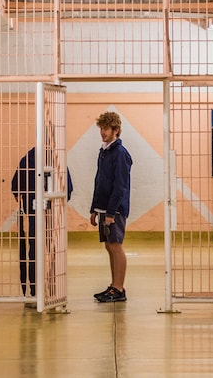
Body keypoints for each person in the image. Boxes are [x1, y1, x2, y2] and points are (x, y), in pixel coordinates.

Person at [11, 146, 73, 298]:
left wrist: (24, 197)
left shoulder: (27, 158)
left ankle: (34, 291)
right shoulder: (57, 159)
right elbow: (68, 188)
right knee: (54, 250)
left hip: (34, 210)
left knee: (34, 251)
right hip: (53, 210)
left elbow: (16, 187)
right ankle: (54, 289)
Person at [89, 111, 133, 303]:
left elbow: (120, 186)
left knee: (116, 246)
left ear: (116, 130)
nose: (102, 132)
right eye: (101, 128)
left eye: (106, 128)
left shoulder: (120, 153)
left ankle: (119, 288)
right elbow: (99, 181)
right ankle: (114, 285)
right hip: (103, 209)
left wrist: (111, 212)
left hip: (114, 210)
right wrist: (94, 209)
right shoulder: (104, 151)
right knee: (109, 246)